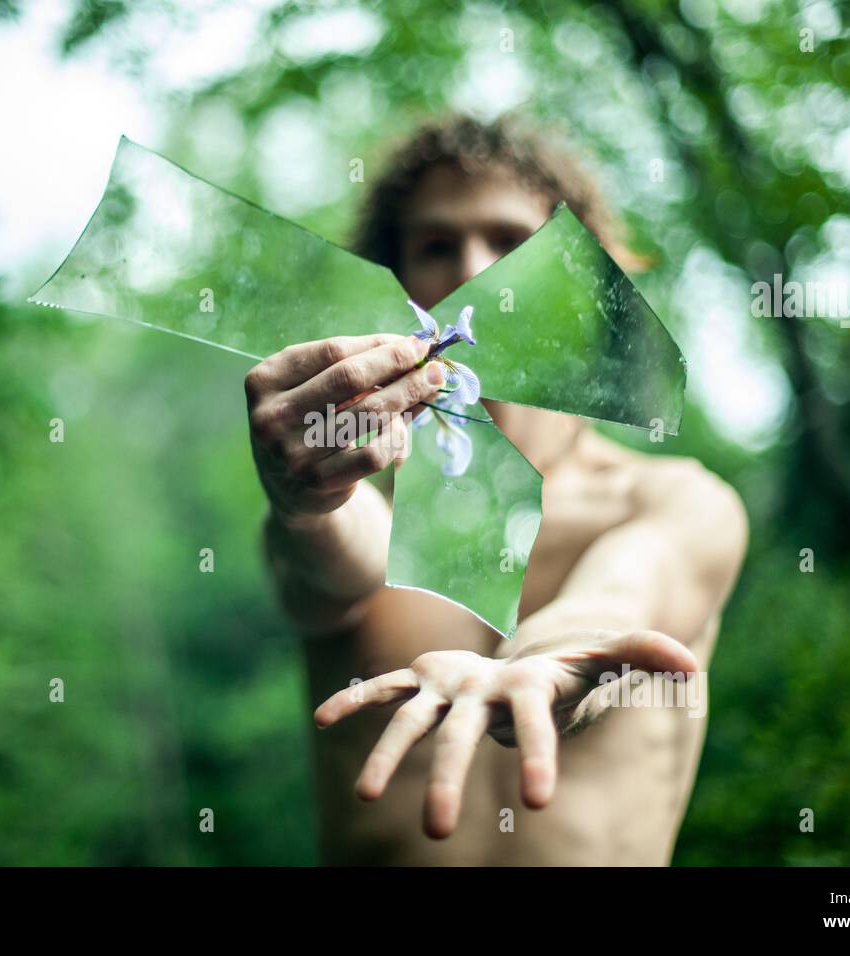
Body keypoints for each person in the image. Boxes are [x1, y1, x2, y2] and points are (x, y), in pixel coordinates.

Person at [244, 115, 748, 865]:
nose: (474, 269)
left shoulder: (672, 502)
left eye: (512, 242)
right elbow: (326, 562)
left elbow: (621, 595)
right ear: (397, 282)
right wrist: (304, 501)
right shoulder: (362, 507)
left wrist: (552, 659)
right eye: (437, 244)